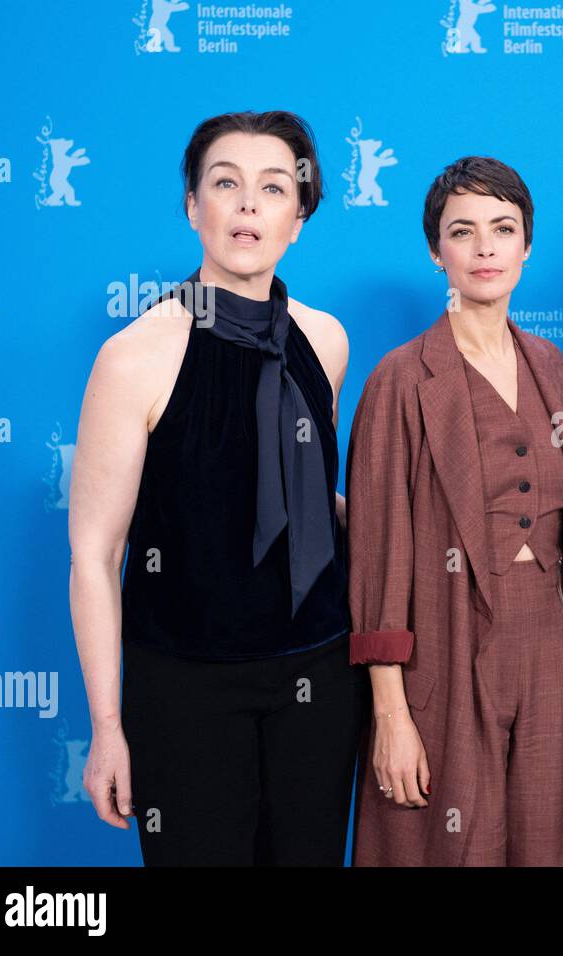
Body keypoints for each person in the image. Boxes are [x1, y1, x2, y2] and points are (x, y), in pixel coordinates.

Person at [69, 110, 367, 865]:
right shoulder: (134, 356)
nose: (247, 205)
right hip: (186, 686)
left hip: (319, 674)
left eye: (274, 188)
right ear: (192, 206)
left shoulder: (326, 340)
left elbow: (302, 497)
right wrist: (107, 727)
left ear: (298, 218)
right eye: (225, 183)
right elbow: (96, 554)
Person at [345, 156, 563, 866]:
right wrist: (391, 715)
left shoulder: (551, 366)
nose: (485, 247)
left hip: (553, 654)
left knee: (554, 847)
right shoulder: (400, 380)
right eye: (462, 231)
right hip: (446, 651)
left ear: (527, 245)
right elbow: (377, 559)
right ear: (436, 251)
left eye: (503, 228)